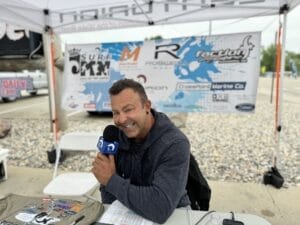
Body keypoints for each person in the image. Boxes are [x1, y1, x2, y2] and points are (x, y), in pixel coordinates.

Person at [92, 78, 191, 223]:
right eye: (115, 112)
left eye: (128, 109)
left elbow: (160, 208)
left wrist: (111, 180)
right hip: (127, 211)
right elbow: (108, 193)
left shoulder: (175, 143)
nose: (121, 119)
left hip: (174, 213)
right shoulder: (115, 137)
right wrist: (108, 182)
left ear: (147, 106)